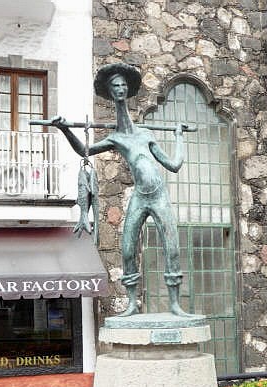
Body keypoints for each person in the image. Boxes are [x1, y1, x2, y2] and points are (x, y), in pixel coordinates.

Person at [52, 63, 189, 317]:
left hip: (159, 195)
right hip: (139, 196)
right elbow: (85, 150)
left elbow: (174, 164)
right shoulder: (116, 138)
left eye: (123, 84)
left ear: (128, 89)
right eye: (115, 85)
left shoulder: (146, 134)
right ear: (110, 90)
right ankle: (132, 303)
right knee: (127, 250)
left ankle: (175, 305)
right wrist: (64, 129)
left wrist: (179, 137)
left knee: (172, 248)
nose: (120, 88)